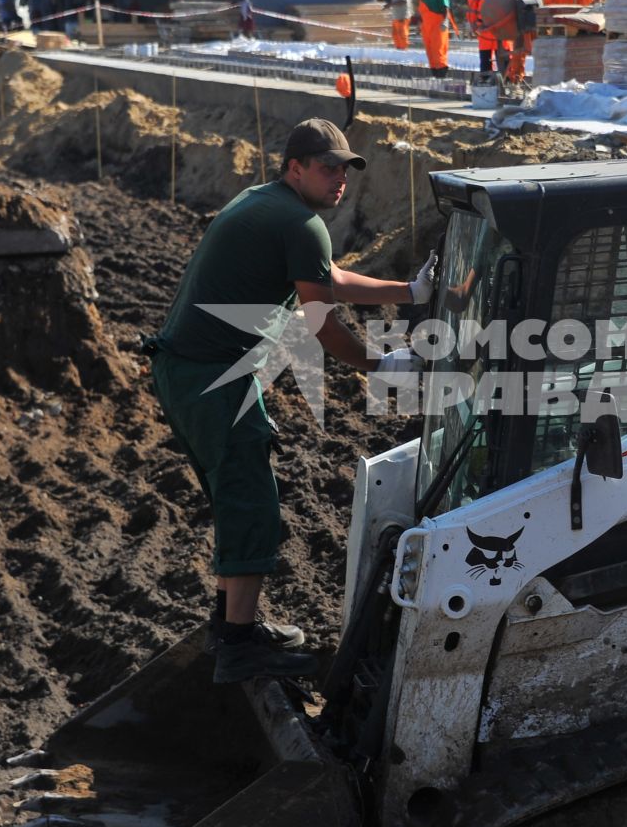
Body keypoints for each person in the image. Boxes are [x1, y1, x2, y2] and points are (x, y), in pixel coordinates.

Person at [149, 118, 437, 683]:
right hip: (213, 381)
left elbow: (325, 276)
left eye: (345, 170)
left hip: (188, 372)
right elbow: (322, 323)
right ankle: (237, 645)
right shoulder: (302, 222)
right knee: (251, 502)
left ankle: (231, 626)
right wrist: (383, 363)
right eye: (327, 168)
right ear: (295, 168)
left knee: (238, 498)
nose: (339, 180)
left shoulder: (267, 204)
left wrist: (409, 291)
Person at [414, 0, 456, 78]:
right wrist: (420, 23)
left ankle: (442, 78)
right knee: (431, 54)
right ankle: (436, 79)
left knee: (439, 54)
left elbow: (445, 7)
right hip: (427, 27)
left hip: (438, 26)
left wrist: (445, 21)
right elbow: (422, 9)